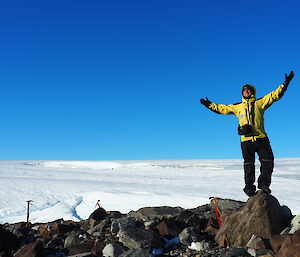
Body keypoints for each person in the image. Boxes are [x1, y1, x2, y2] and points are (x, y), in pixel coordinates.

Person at [200, 71, 294, 196]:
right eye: (244, 90)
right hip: (246, 141)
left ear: (253, 92)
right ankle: (249, 188)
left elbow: (275, 95)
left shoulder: (260, 103)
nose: (246, 92)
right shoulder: (237, 107)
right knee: (249, 165)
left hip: (261, 138)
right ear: (242, 93)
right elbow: (222, 109)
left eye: (249, 90)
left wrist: (286, 83)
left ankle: (263, 185)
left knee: (268, 162)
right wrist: (209, 104)